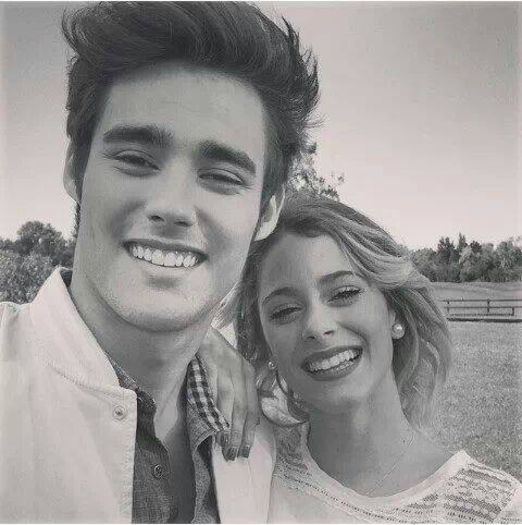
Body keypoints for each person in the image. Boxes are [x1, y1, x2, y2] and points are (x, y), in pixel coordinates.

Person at [0, 3, 318, 522]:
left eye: (221, 176)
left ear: (267, 211)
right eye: (135, 159)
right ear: (75, 169)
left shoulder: (267, 444)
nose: (172, 206)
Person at [228, 194, 522, 522]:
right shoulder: (247, 468)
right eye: (284, 310)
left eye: (344, 293)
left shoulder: (493, 511)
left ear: (394, 310)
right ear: (266, 343)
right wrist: (207, 349)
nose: (317, 326)